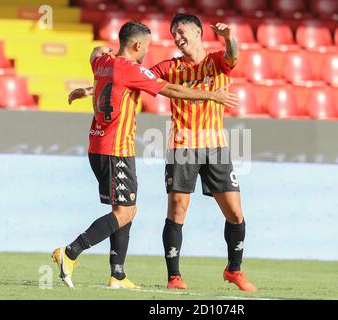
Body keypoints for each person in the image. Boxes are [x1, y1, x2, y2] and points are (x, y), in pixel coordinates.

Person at [69, 14, 256, 292]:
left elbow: (233, 54)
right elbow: (130, 80)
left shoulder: (217, 62)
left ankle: (234, 270)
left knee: (235, 213)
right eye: (173, 33)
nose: (177, 37)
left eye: (181, 31)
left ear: (197, 32)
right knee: (177, 210)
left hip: (216, 146)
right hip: (182, 146)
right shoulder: (169, 67)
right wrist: (89, 89)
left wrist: (229, 37)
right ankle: (174, 276)